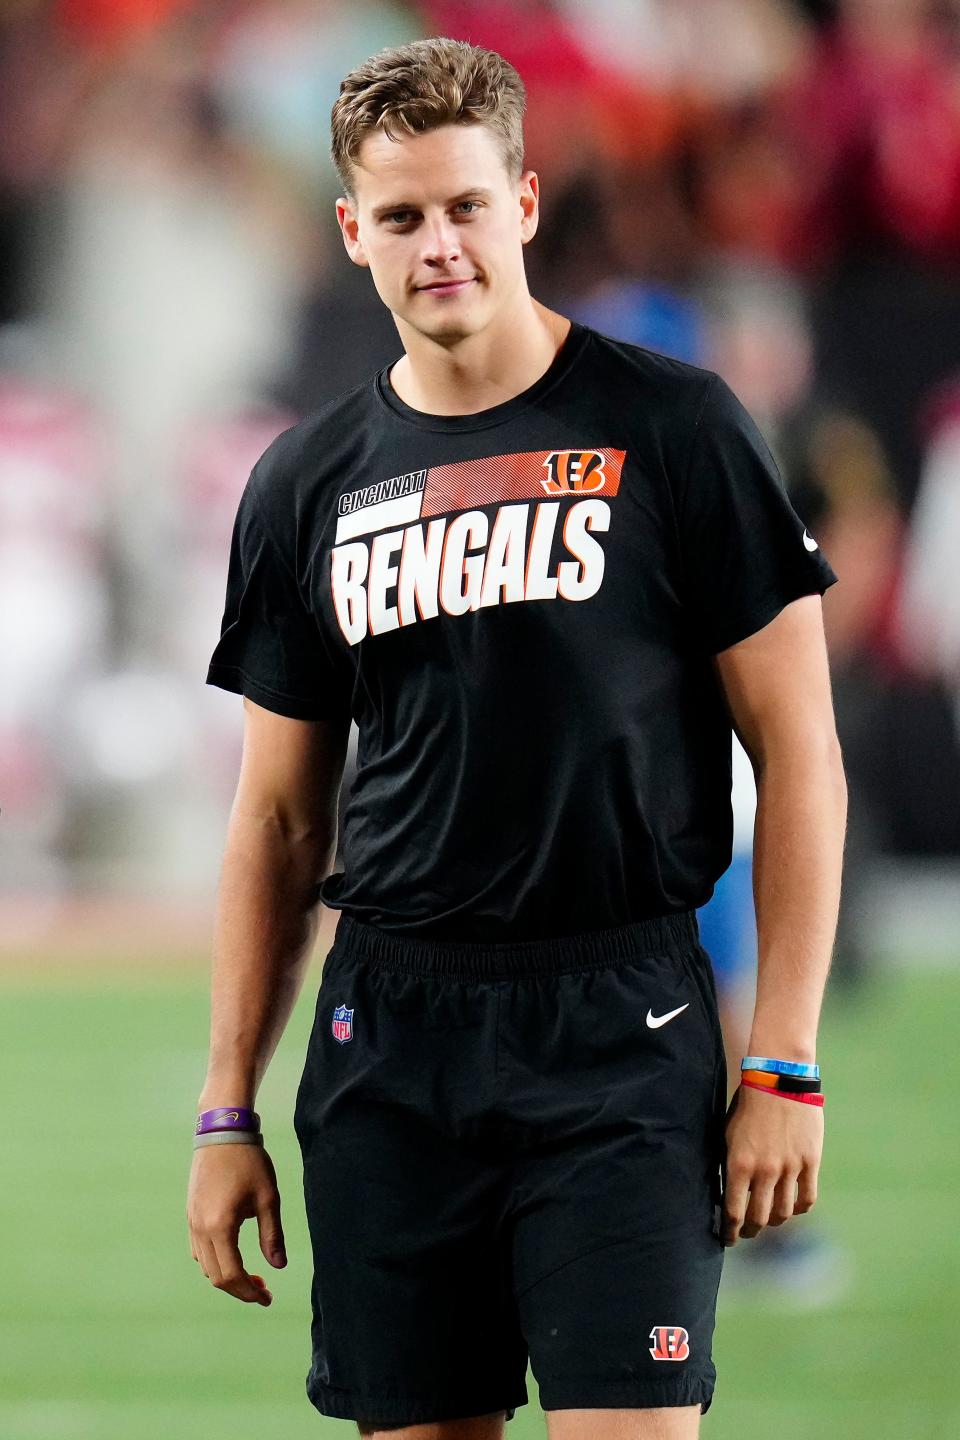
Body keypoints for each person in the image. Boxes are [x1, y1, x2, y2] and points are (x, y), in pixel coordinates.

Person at [187, 36, 846, 1440]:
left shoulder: (673, 428)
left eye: (467, 206)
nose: (441, 245)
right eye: (405, 216)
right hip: (389, 1039)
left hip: (621, 1031)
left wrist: (783, 1057)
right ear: (353, 231)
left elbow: (800, 752)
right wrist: (226, 1107)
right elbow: (278, 822)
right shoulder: (304, 484)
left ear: (527, 205)